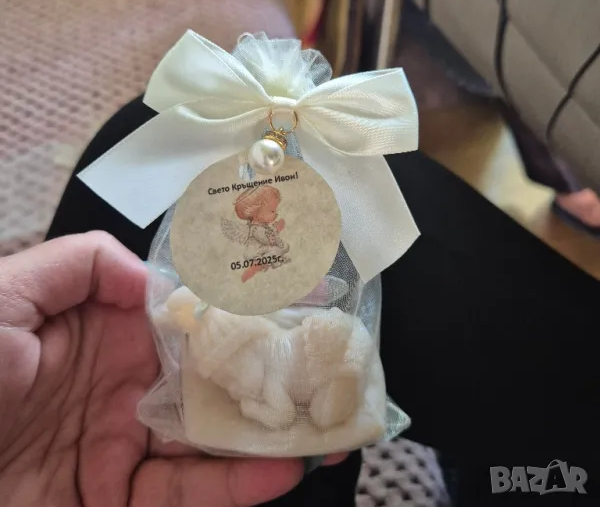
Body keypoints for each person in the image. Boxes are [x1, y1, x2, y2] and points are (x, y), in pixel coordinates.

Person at [37, 96, 600, 506]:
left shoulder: (291, 352)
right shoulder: (256, 354)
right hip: (249, 354)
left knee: (155, 132)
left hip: (263, 349)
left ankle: (509, 473)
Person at [0, 231, 348, 507]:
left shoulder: (256, 357)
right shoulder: (216, 329)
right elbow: (172, 309)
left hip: (239, 346)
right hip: (226, 347)